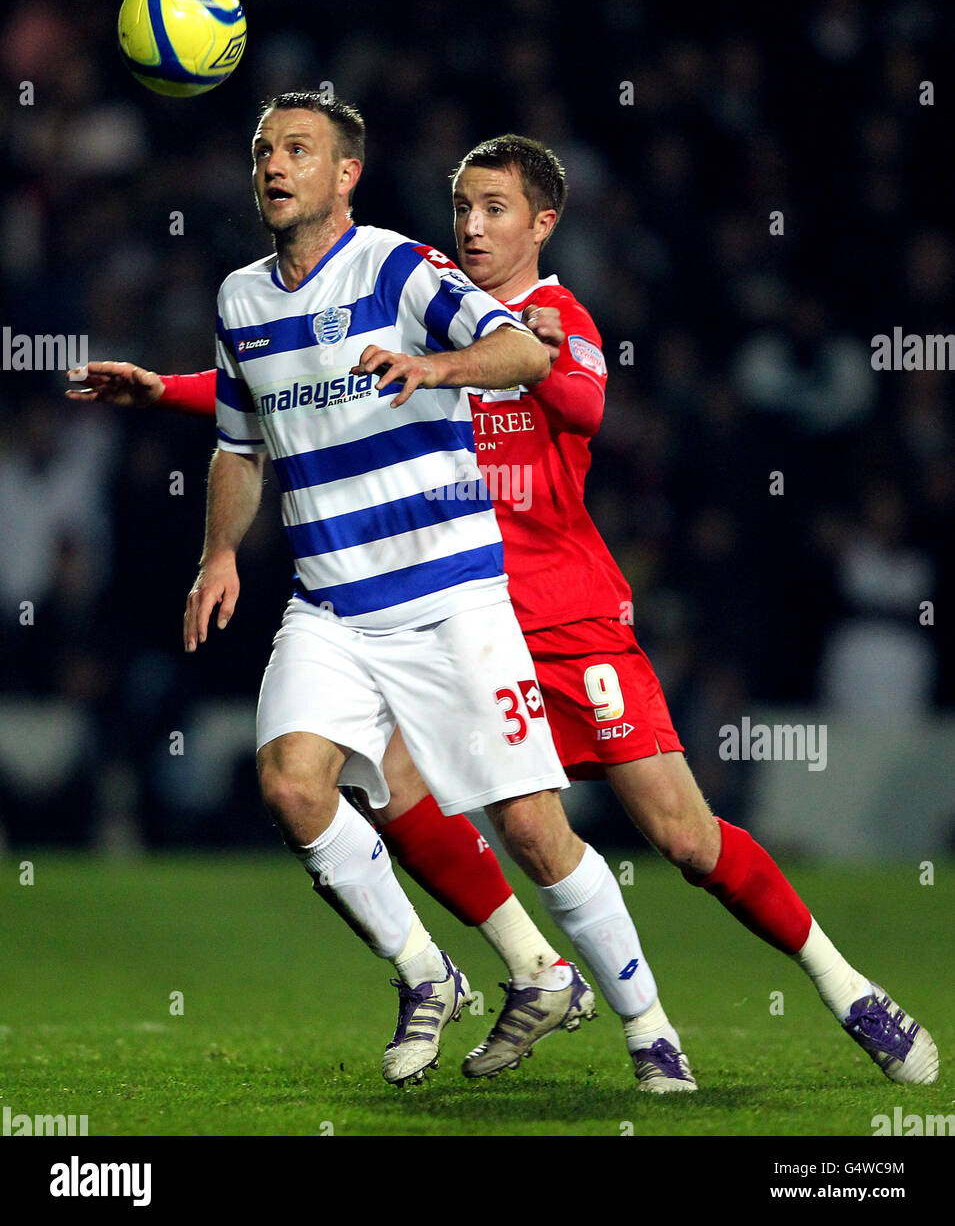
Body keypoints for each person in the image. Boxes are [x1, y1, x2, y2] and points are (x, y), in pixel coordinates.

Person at [71, 123, 937, 1090]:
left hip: (562, 615)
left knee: (684, 838)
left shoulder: (552, 315)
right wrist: (170, 393)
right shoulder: (419, 300)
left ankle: (843, 983)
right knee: (380, 788)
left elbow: (581, 405)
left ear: (543, 224)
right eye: (461, 210)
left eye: (494, 212)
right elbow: (289, 388)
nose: (472, 231)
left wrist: (518, 357)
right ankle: (542, 982)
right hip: (441, 608)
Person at [75, 90, 696, 1093]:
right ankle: (425, 971)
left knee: (535, 830)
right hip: (330, 605)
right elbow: (240, 443)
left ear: (344, 174)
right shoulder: (240, 299)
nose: (273, 166)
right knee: (290, 783)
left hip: (451, 596)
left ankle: (649, 1026)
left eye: (298, 150)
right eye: (263, 150)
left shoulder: (404, 266)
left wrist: (434, 364)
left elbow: (529, 352)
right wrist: (220, 554)